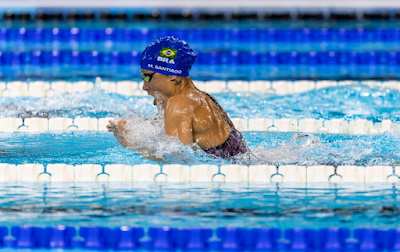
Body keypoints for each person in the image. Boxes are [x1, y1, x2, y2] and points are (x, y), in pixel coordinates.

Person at [107, 36, 248, 160]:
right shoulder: (203, 98)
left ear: (172, 75)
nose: (144, 86)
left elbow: (177, 160)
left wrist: (128, 143)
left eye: (148, 76)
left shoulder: (179, 104)